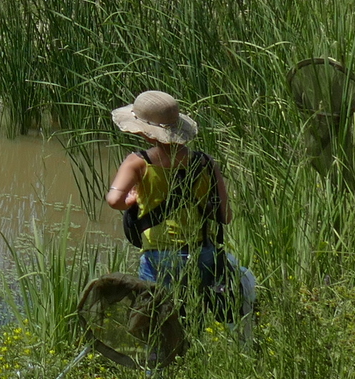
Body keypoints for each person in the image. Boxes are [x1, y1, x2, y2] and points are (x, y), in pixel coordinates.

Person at [103, 89, 254, 326]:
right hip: (203, 251)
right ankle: (193, 354)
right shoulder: (205, 162)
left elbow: (114, 201)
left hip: (159, 255)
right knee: (195, 315)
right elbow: (225, 216)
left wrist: (131, 200)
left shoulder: (138, 162)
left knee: (156, 319)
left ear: (145, 133)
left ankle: (159, 361)